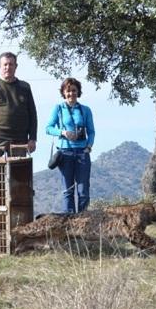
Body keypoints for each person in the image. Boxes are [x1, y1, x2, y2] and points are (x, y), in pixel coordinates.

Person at [45, 78, 95, 213]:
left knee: (83, 190)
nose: (71, 93)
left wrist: (88, 147)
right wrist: (63, 132)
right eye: (68, 91)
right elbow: (48, 128)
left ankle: (84, 221)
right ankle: (69, 221)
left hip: (82, 152)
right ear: (63, 92)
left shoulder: (85, 110)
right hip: (65, 152)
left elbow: (91, 131)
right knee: (68, 190)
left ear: (78, 92)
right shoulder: (59, 109)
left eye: (74, 90)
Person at [0, 52, 37, 156]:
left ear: (16, 66)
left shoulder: (25, 87)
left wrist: (33, 138)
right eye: (5, 64)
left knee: (18, 171)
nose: (8, 67)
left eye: (11, 64)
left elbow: (33, 114)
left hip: (19, 139)